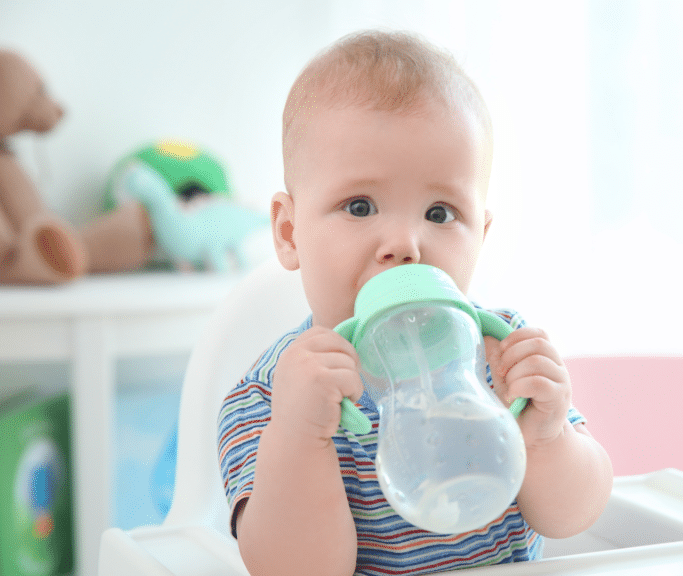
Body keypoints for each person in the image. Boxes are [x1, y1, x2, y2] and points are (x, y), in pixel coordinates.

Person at [217, 29, 613, 576]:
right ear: (289, 232)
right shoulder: (271, 394)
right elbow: (293, 569)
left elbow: (576, 515)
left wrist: (547, 435)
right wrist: (299, 435)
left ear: (482, 235)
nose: (405, 242)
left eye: (439, 213)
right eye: (360, 206)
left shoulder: (501, 354)